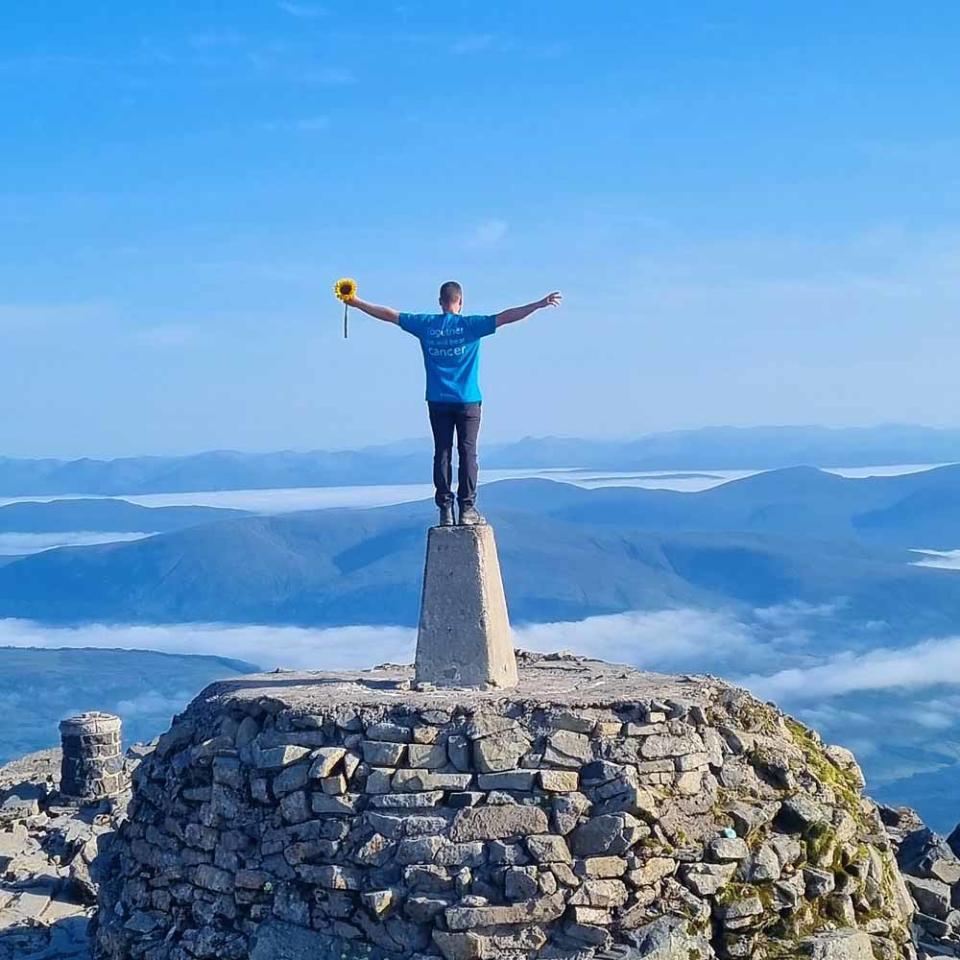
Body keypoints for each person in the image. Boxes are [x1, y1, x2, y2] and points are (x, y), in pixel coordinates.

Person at [347, 281, 562, 526]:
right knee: (468, 452)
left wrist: (356, 303)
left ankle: (445, 510)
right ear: (460, 302)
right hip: (468, 400)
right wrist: (538, 304)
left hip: (438, 400)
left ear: (440, 302)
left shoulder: (426, 325)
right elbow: (507, 316)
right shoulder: (471, 325)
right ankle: (467, 508)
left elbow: (389, 315)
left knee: (442, 452)